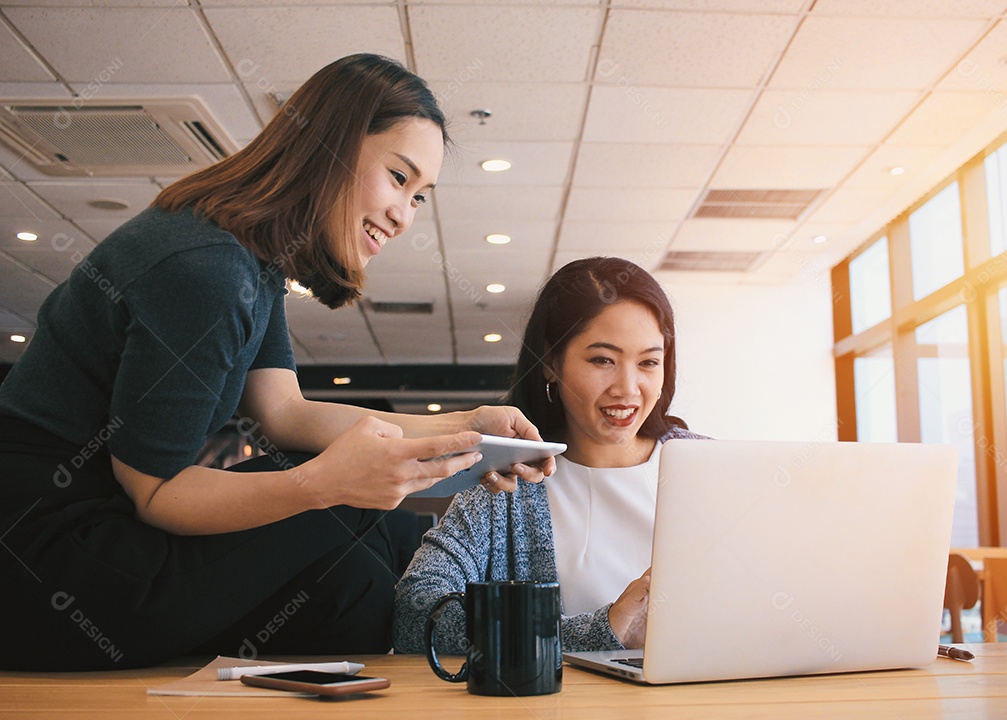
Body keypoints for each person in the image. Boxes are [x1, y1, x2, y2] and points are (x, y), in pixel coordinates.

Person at [0, 54, 552, 671]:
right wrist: (327, 485)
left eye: (420, 196)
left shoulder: (247, 260)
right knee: (348, 506)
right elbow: (155, 494)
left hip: (100, 532)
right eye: (398, 178)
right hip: (47, 553)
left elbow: (285, 413)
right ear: (331, 146)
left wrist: (471, 429)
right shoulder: (207, 268)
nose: (404, 216)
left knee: (354, 585)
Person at [393, 257, 707, 654]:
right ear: (550, 363)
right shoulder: (505, 483)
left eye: (648, 362)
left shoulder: (708, 468)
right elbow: (415, 615)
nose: (628, 389)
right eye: (603, 360)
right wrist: (596, 631)